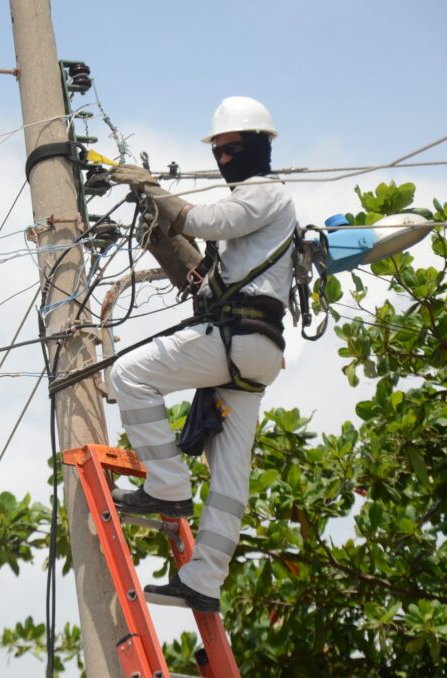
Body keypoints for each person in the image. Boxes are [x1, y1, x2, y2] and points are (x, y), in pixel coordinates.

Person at [107, 96, 298, 612]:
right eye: (218, 150)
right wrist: (155, 207)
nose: (223, 158)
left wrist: (152, 188)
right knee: (231, 477)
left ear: (259, 146)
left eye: (232, 148)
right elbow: (209, 254)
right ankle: (205, 580)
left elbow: (206, 220)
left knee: (129, 375)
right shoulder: (263, 206)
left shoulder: (265, 194)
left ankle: (168, 485)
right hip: (257, 353)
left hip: (238, 339)